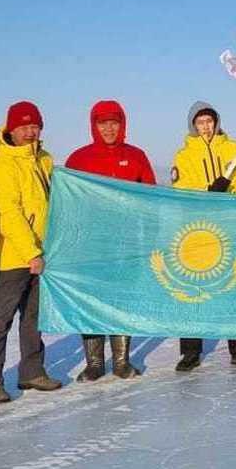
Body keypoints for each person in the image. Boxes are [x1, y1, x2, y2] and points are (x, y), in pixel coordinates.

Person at [64, 100, 156, 381]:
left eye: (114, 122)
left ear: (122, 124)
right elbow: (68, 203)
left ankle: (121, 361)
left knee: (121, 300)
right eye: (102, 123)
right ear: (94, 125)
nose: (108, 128)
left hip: (126, 243)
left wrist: (150, 235)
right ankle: (94, 363)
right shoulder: (78, 159)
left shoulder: (137, 156)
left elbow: (151, 197)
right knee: (91, 300)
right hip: (91, 244)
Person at [0, 101, 62, 404]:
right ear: (11, 129)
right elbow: (7, 215)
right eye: (24, 126)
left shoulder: (44, 161)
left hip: (42, 254)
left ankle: (32, 371)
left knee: (33, 317)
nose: (30, 132)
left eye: (35, 126)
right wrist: (30, 253)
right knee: (0, 320)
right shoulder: (2, 165)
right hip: (13, 257)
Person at [170, 100, 236, 371]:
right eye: (200, 122)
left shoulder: (234, 148)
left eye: (209, 121)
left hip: (231, 225)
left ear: (216, 122)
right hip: (198, 229)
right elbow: (180, 190)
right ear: (193, 125)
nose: (206, 127)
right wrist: (209, 191)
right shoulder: (183, 155)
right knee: (194, 289)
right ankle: (190, 352)